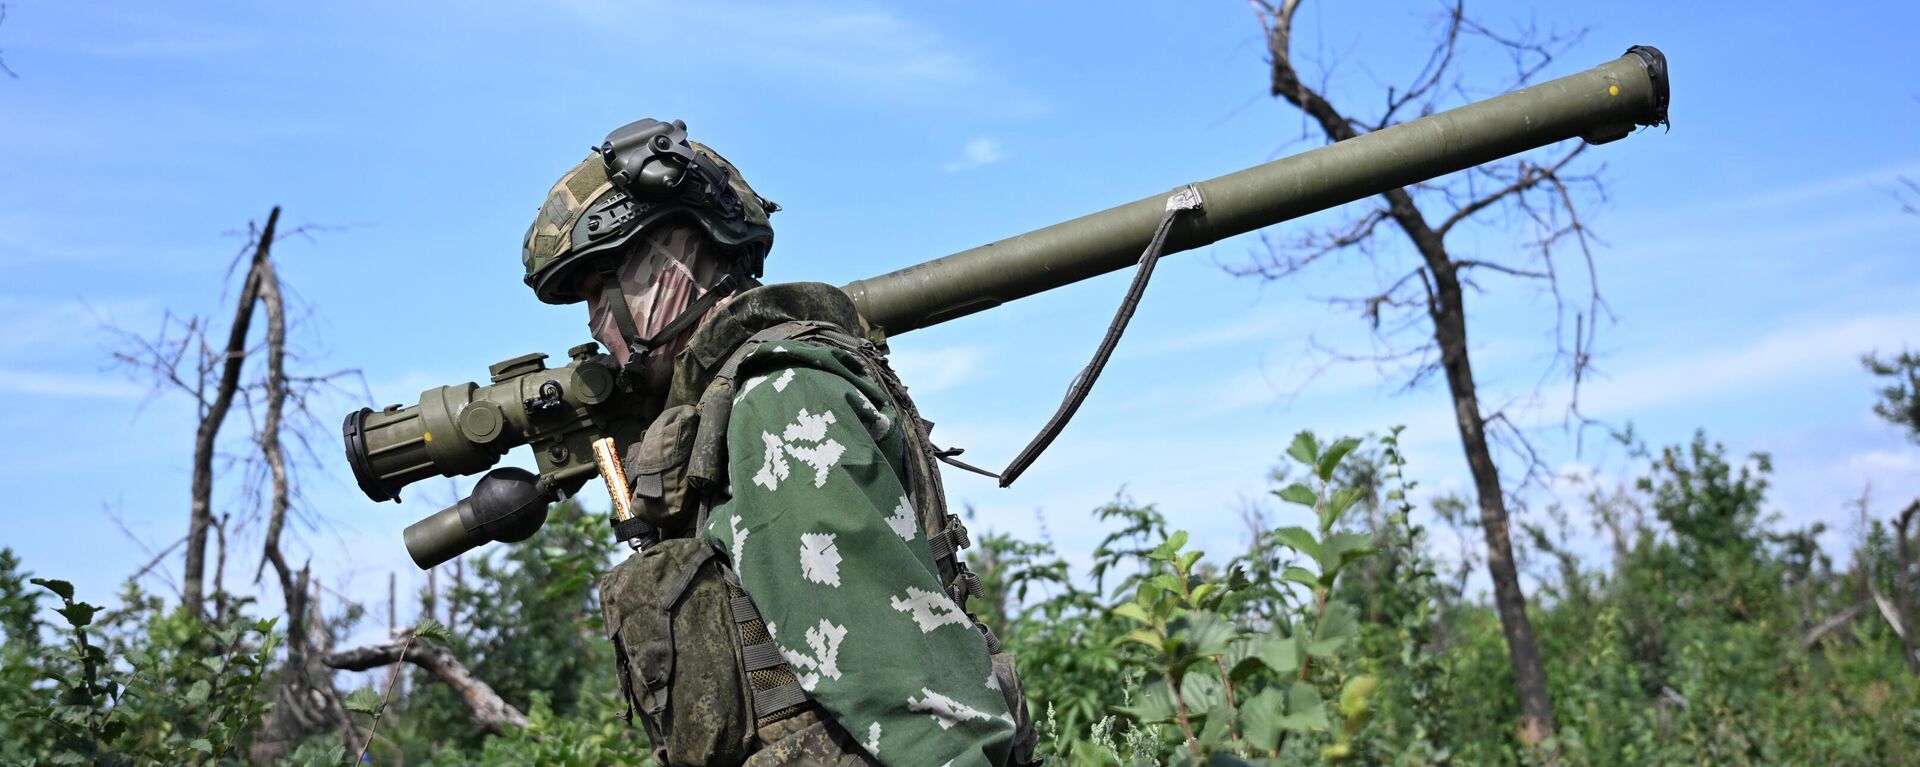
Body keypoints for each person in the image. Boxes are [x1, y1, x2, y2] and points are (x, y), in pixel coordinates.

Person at [520, 118, 1036, 766]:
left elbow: (923, 718)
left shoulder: (777, 401)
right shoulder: (732, 407)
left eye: (605, 287)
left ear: (685, 250)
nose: (598, 320)